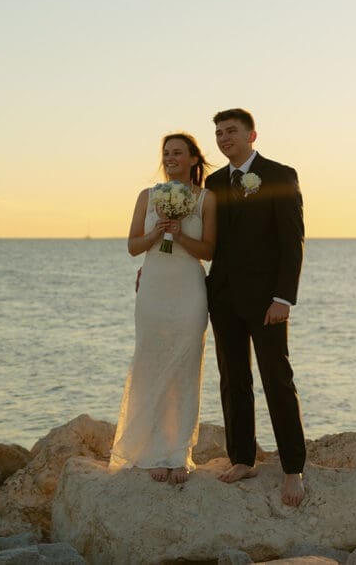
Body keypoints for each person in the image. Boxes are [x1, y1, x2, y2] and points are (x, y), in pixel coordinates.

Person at [204, 108, 306, 506]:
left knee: (277, 379)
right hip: (223, 298)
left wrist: (284, 298)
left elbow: (292, 240)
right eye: (218, 133)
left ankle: (293, 467)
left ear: (252, 135)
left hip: (267, 301)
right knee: (232, 380)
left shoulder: (279, 175)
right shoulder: (213, 183)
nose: (224, 138)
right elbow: (207, 239)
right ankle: (242, 458)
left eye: (231, 131)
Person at [110, 133, 216, 484]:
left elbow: (209, 251)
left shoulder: (206, 199)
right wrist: (157, 232)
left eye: (177, 153)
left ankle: (179, 452)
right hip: (154, 286)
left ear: (193, 159)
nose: (170, 158)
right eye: (166, 153)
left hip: (189, 287)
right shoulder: (147, 196)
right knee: (151, 363)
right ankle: (153, 450)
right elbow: (132, 246)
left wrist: (180, 235)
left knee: (185, 367)